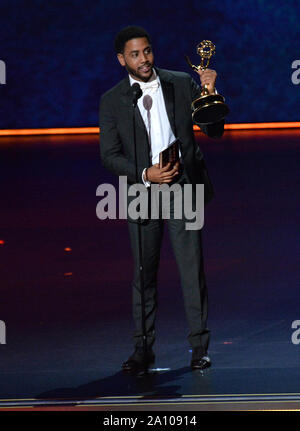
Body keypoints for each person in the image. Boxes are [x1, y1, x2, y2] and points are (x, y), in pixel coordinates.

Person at [99, 25, 224, 372]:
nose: (144, 59)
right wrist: (144, 174)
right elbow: (109, 155)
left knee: (191, 270)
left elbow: (214, 131)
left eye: (148, 51)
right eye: (136, 54)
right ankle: (143, 349)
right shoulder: (112, 101)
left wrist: (211, 91)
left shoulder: (181, 83)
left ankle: (200, 348)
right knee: (144, 272)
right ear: (122, 60)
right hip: (142, 191)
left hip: (183, 185)